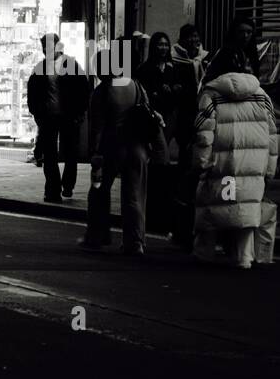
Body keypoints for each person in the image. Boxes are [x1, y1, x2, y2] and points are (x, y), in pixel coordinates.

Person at [191, 49, 279, 269]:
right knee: (245, 210)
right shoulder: (261, 95)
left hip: (222, 168)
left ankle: (205, 253)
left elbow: (204, 135)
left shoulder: (210, 95)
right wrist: (269, 169)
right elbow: (272, 135)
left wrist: (202, 163)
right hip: (253, 166)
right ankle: (244, 257)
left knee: (213, 208)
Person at [81, 37, 156, 255]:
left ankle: (97, 235)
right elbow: (147, 111)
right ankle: (135, 242)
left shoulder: (102, 92)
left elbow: (97, 128)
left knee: (98, 191)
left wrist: (95, 153)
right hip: (138, 147)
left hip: (111, 148)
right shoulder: (135, 85)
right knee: (135, 195)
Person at [136, 31, 198, 241]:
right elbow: (144, 94)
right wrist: (158, 93)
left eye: (165, 45)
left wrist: (174, 89)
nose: (162, 48)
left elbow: (185, 92)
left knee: (170, 162)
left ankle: (165, 204)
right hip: (155, 119)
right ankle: (158, 204)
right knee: (160, 161)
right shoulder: (145, 70)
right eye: (159, 45)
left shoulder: (175, 68)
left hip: (172, 117)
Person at [27, 33, 88, 202]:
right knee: (50, 154)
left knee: (70, 152)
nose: (47, 50)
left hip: (69, 116)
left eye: (50, 46)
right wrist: (36, 112)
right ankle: (52, 189)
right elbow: (32, 92)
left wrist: (80, 112)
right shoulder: (40, 67)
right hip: (48, 117)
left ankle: (68, 184)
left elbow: (83, 89)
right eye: (44, 47)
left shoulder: (70, 64)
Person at [173, 23, 208, 92]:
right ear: (182, 40)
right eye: (189, 36)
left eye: (195, 36)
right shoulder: (174, 58)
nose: (193, 39)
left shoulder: (205, 56)